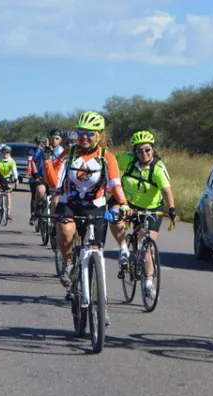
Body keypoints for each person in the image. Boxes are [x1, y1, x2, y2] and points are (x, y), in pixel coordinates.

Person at [44, 111, 127, 300]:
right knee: (65, 231)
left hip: (95, 205)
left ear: (99, 135)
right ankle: (68, 264)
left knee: (96, 249)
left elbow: (114, 183)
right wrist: (48, 162)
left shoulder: (106, 156)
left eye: (90, 133)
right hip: (70, 203)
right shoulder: (70, 153)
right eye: (81, 132)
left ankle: (99, 300)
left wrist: (123, 202)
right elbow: (55, 183)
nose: (84, 137)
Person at [108, 130, 177, 298]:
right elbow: (109, 165)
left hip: (151, 207)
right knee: (114, 215)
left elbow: (166, 190)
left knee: (147, 246)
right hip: (127, 203)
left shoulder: (158, 168)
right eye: (139, 151)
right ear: (134, 152)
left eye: (148, 150)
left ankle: (148, 282)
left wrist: (172, 209)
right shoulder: (128, 160)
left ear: (153, 149)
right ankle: (124, 249)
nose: (144, 154)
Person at [0, 144, 18, 220]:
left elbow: (14, 171)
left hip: (7, 178)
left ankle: (8, 212)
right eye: (4, 152)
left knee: (8, 193)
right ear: (1, 153)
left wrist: (16, 179)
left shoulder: (12, 161)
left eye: (8, 153)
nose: (6, 154)